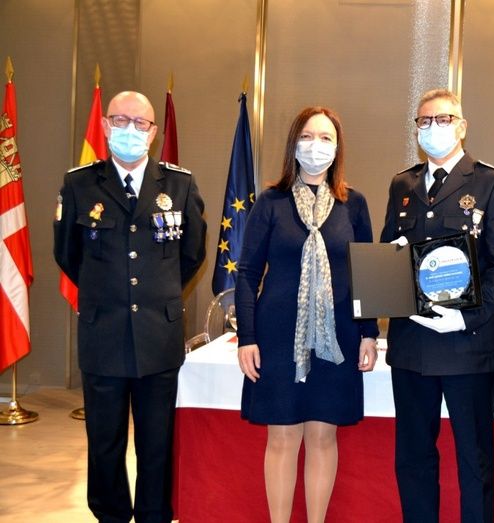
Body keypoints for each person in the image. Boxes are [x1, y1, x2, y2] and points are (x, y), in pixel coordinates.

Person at [53, 90, 207, 522]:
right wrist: (109, 293)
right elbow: (67, 254)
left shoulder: (179, 184)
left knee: (157, 442)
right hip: (103, 333)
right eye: (121, 120)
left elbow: (191, 254)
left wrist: (156, 295)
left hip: (159, 336)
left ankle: (154, 515)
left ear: (153, 133)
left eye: (141, 123)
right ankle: (111, 515)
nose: (130, 130)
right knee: (105, 442)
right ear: (105, 125)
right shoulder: (79, 184)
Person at [380, 89, 494, 522]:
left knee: (474, 461)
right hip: (411, 346)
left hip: (468, 346)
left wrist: (466, 317)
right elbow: (388, 256)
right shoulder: (402, 184)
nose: (433, 128)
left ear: (462, 127)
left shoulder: (492, 182)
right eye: (424, 121)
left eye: (443, 119)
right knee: (413, 459)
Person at [235, 106, 379, 523]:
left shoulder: (354, 204)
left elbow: (367, 273)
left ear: (338, 148)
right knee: (282, 438)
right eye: (307, 137)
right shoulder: (271, 202)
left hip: (337, 339)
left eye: (326, 138)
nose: (316, 146)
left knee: (322, 436)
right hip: (278, 339)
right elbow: (247, 274)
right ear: (293, 144)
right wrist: (247, 338)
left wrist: (369, 333)